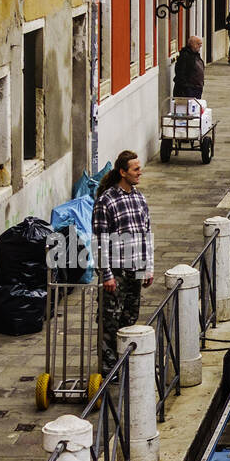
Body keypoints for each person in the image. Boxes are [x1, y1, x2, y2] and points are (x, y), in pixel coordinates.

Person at [93, 151, 153, 373]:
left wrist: (148, 268)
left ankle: (125, 363)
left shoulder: (139, 198)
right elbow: (99, 241)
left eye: (139, 168)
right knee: (110, 321)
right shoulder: (106, 201)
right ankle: (108, 371)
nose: (140, 172)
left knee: (130, 317)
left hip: (135, 269)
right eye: (136, 169)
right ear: (123, 172)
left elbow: (146, 234)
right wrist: (106, 275)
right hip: (115, 272)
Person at [172, 35, 205, 99]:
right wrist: (187, 87)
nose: (200, 46)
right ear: (192, 44)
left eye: (200, 44)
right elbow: (180, 73)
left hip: (196, 89)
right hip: (187, 91)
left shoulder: (195, 54)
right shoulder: (185, 56)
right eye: (198, 44)